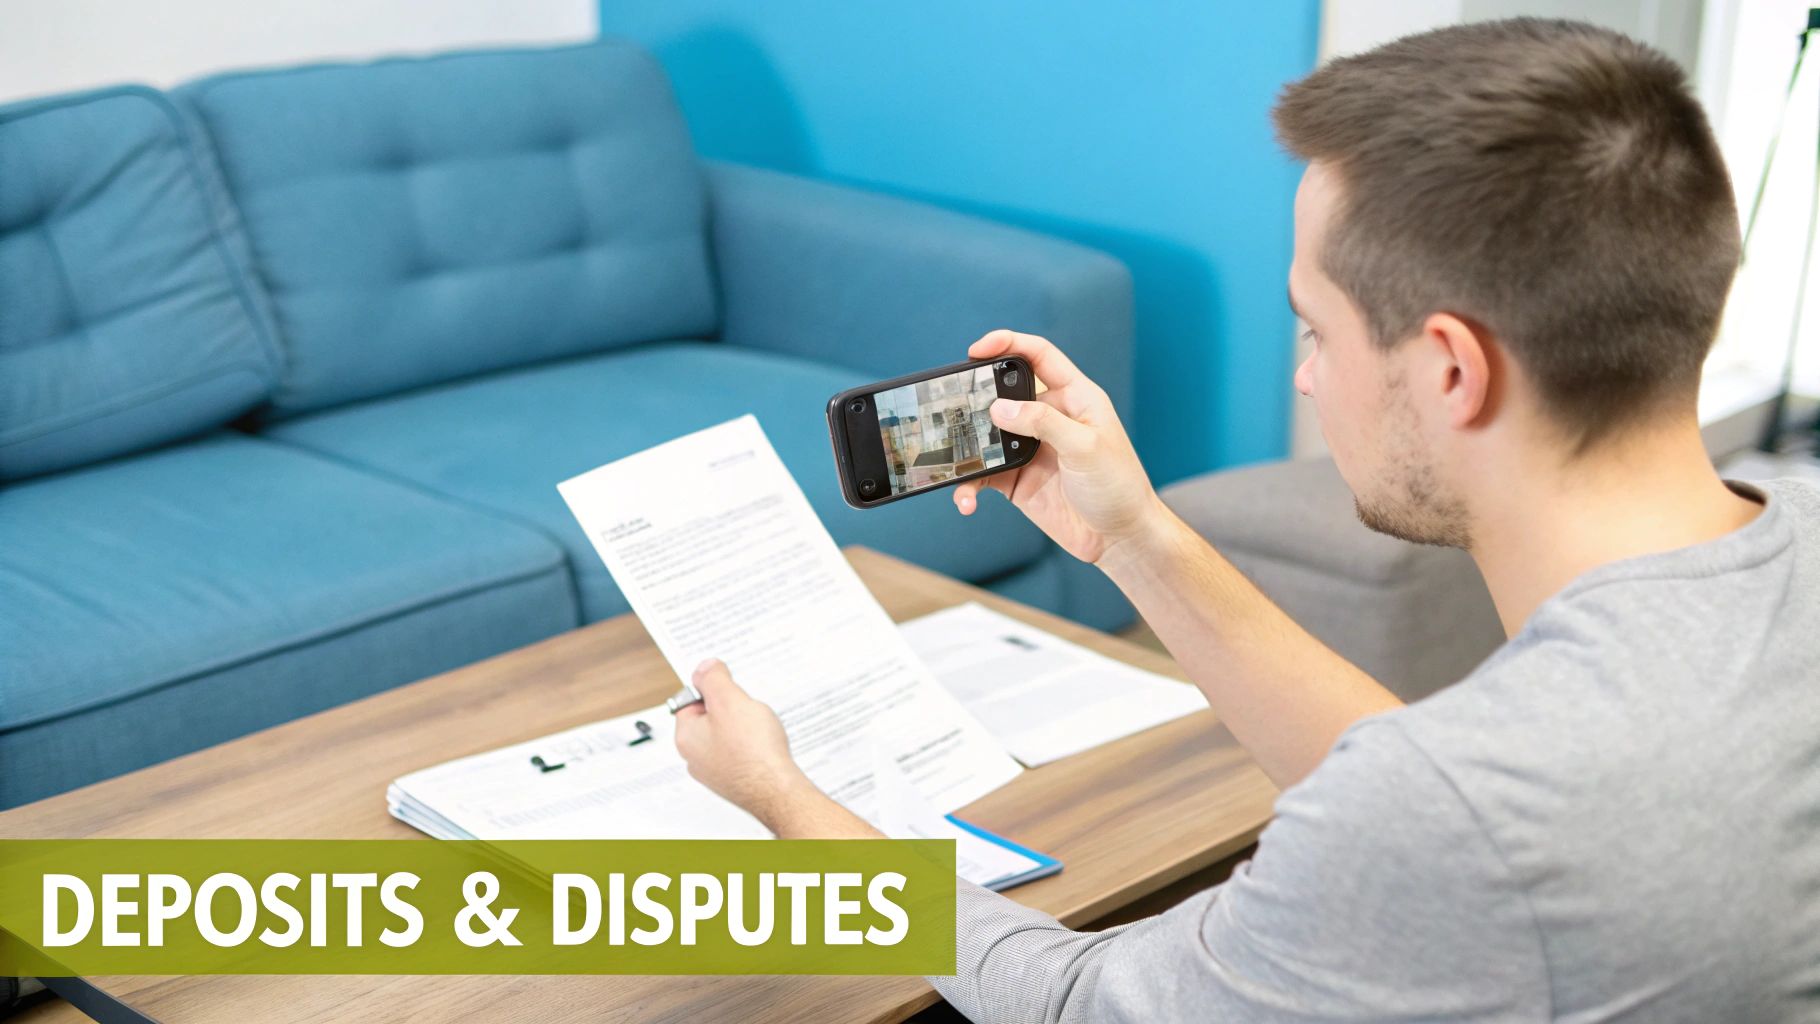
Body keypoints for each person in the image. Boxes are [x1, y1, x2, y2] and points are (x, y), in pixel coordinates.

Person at [673, 17, 1820, 1022]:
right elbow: (1419, 787)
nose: (1308, 379)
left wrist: (785, 802)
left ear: (1450, 371)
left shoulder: (1456, 811)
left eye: (1314, 331)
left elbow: (1076, 1001)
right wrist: (1132, 537)